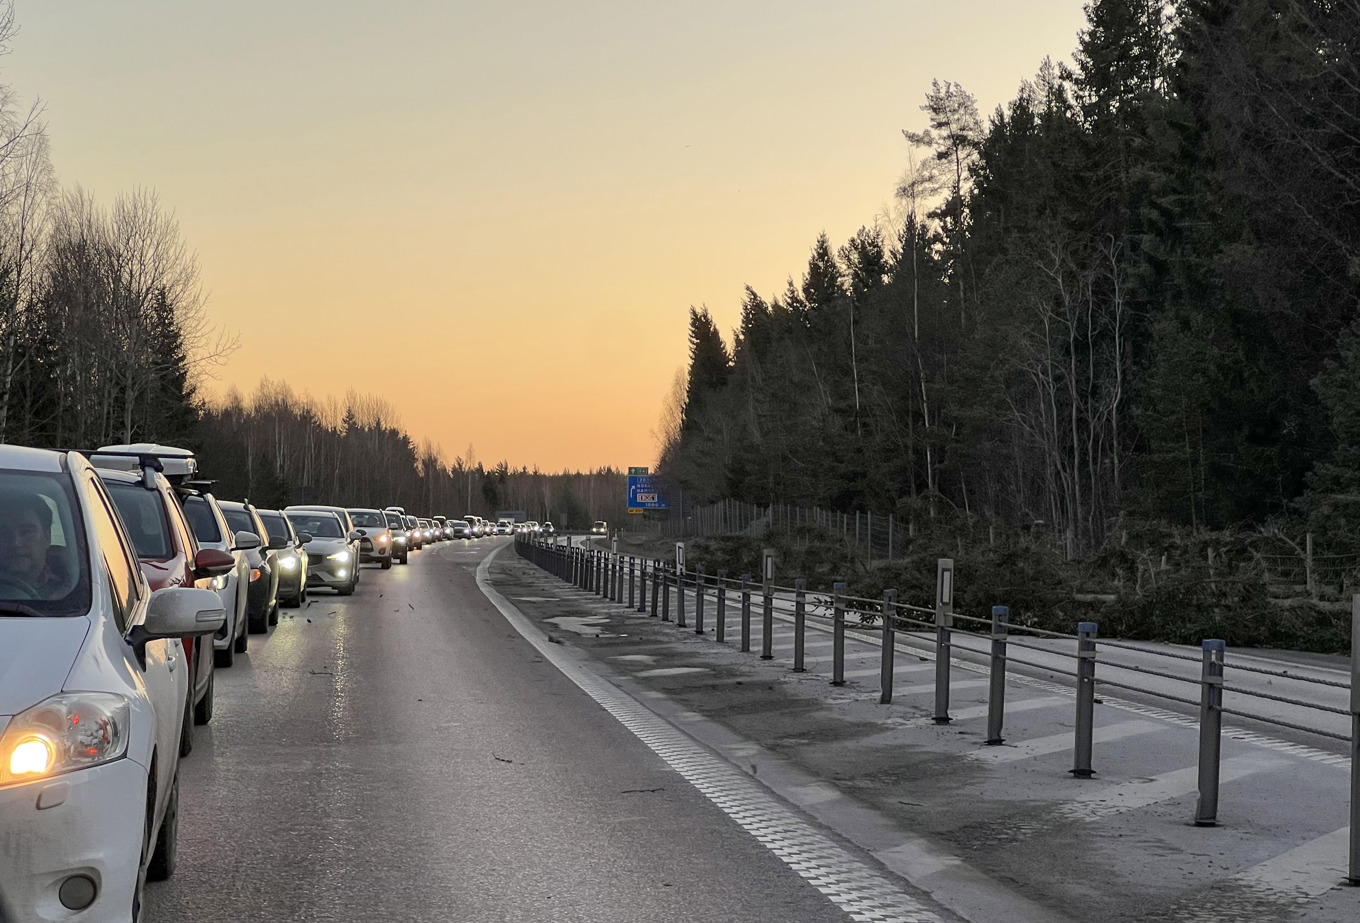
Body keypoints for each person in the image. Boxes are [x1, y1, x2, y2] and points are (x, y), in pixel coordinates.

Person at [0, 487, 61, 598]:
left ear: (47, 537)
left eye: (27, 532)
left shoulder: (76, 595)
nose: (15, 542)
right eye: (3, 534)